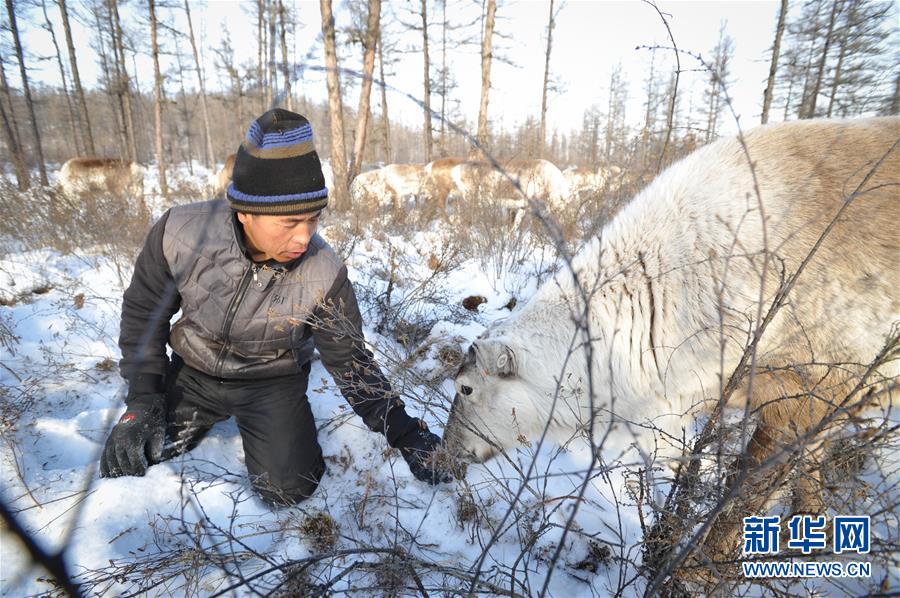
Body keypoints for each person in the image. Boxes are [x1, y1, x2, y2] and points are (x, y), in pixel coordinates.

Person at [100, 109, 451, 505]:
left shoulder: (324, 271)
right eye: (290, 222)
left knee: (290, 490)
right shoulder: (182, 233)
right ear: (245, 212)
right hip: (193, 376)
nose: (304, 236)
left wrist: (405, 432)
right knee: (135, 457)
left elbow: (350, 361)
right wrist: (143, 399)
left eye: (314, 220)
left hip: (271, 383)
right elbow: (144, 316)